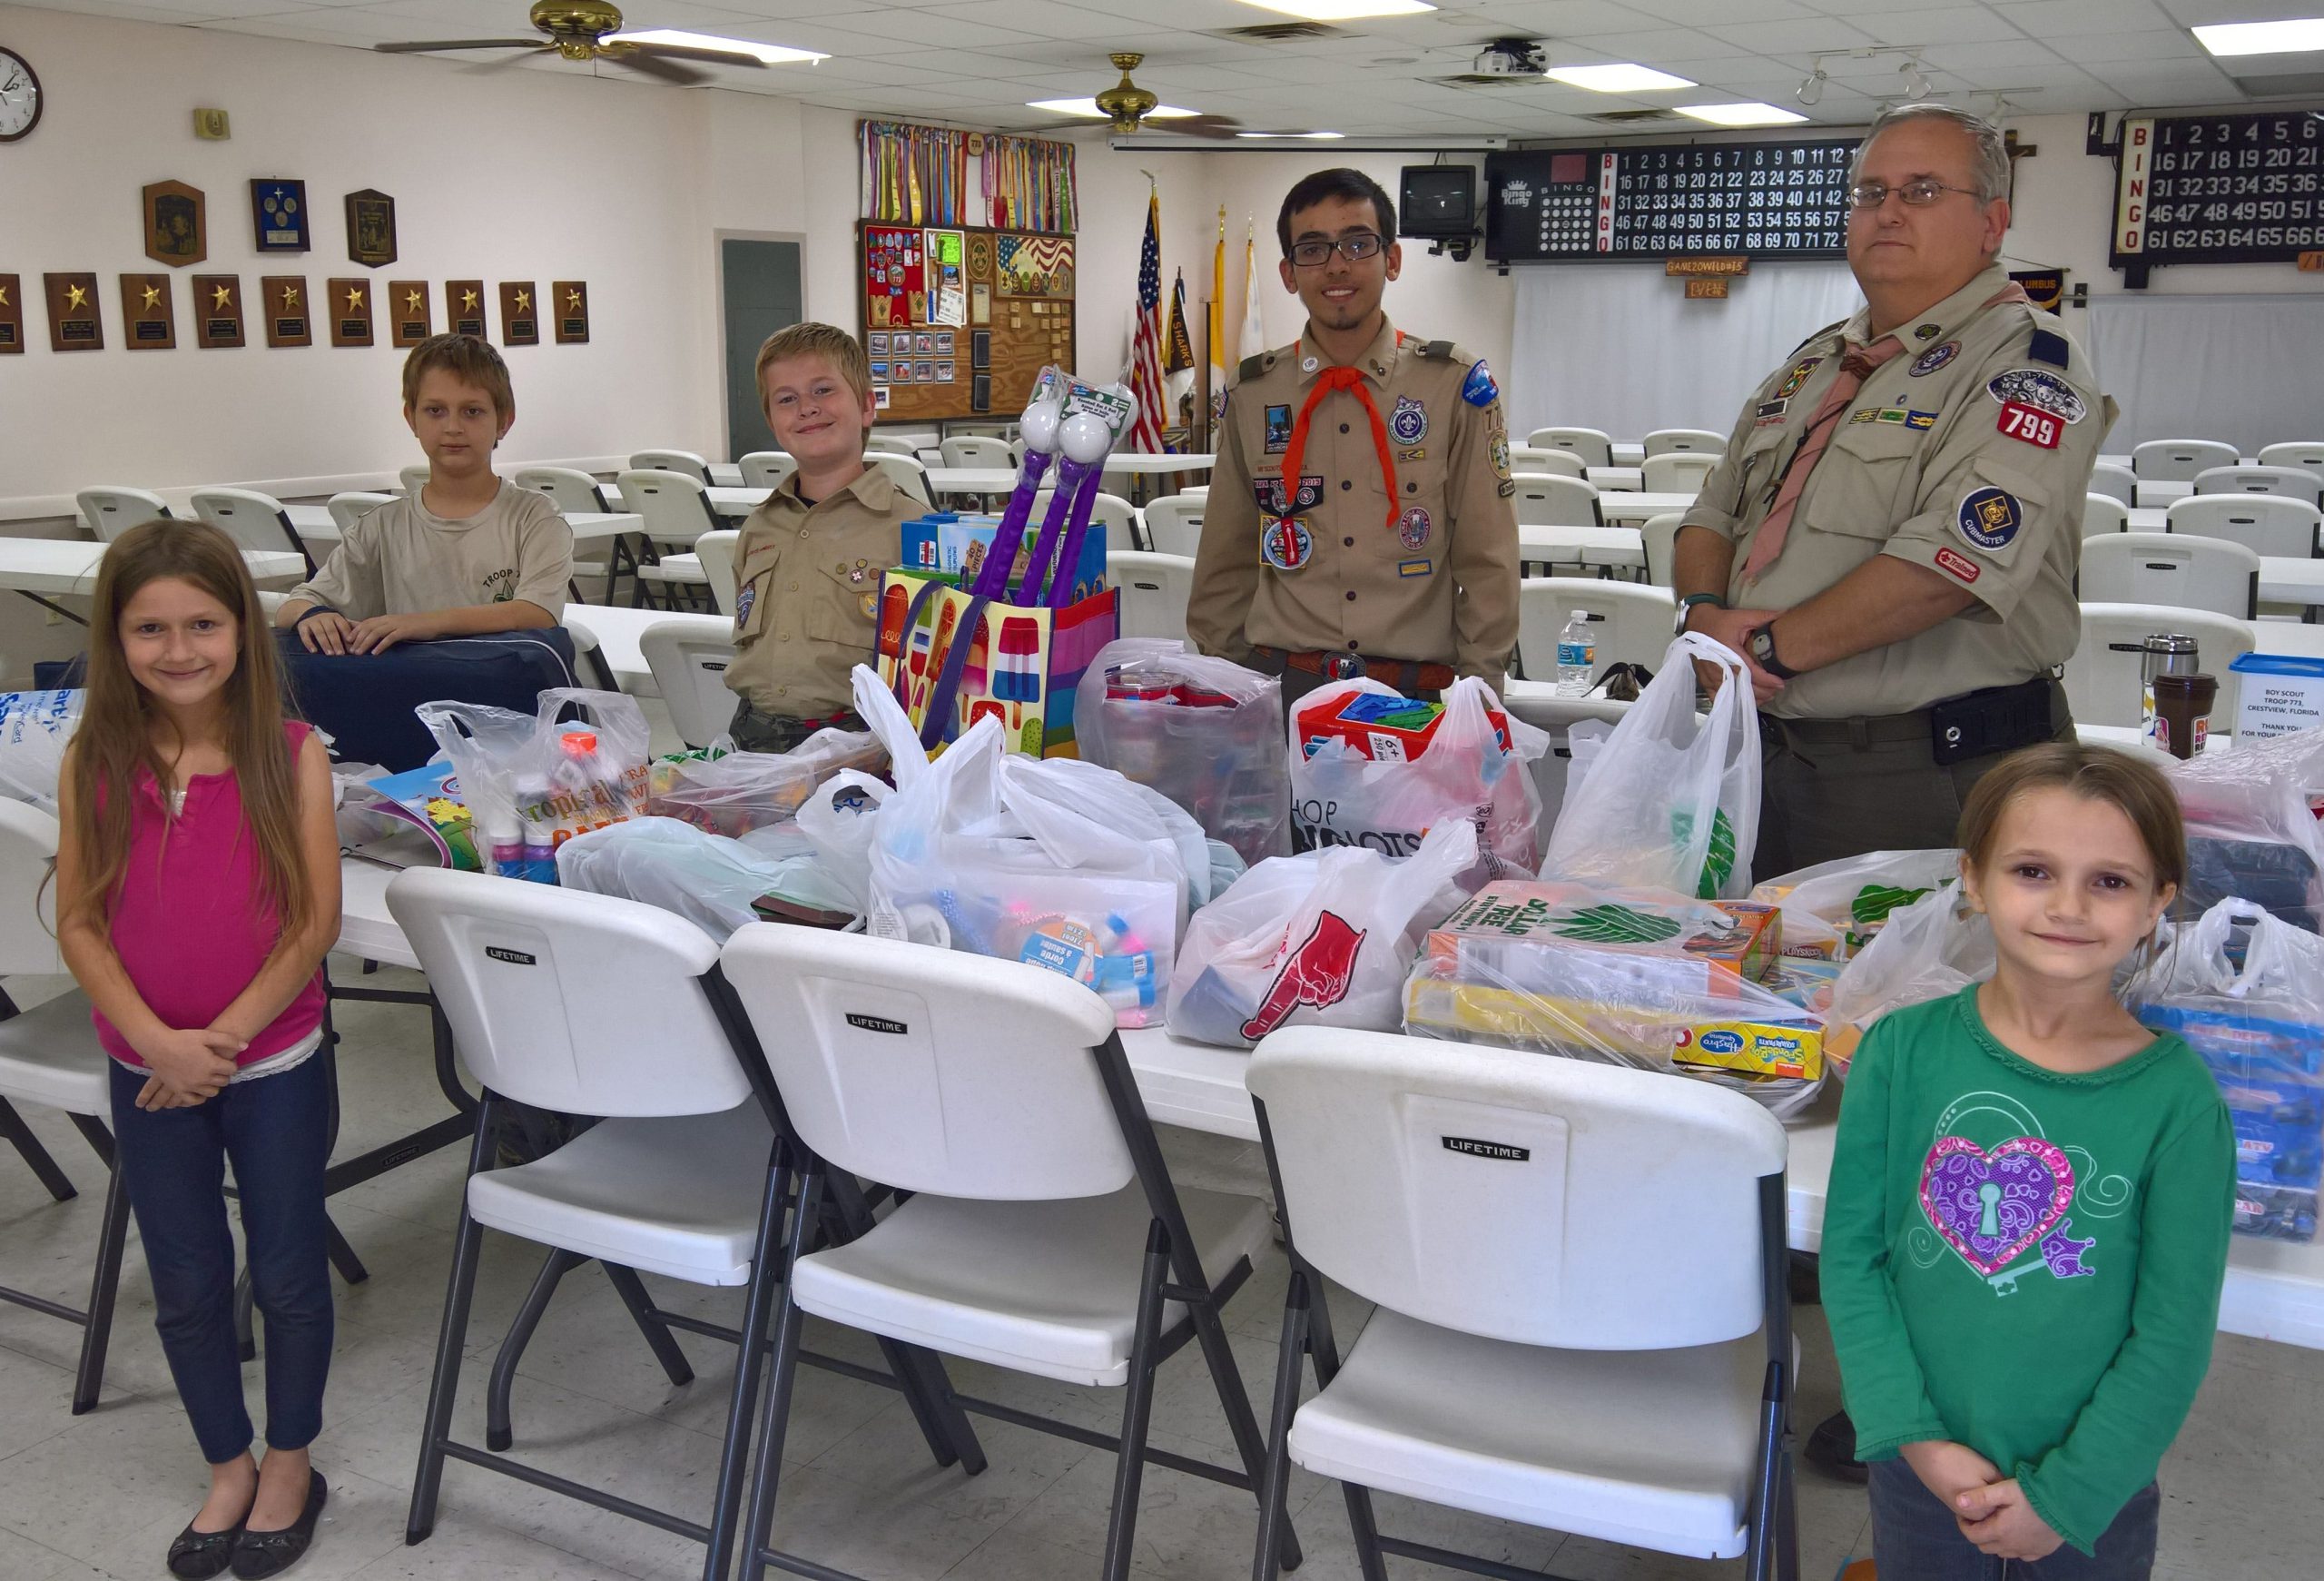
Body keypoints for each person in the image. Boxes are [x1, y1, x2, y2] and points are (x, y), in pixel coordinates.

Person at [1822, 745, 2232, 1579]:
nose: (2069, 906)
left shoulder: (2180, 1103)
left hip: (2094, 1492)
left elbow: (2174, 1333)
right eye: (2034, 870)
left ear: (2158, 902)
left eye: (2111, 881)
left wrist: (2069, 1495)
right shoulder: (1899, 1051)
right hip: (1922, 1470)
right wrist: (1915, 1436)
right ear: (1973, 879)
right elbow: (1854, 1259)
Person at [1675, 104, 2112, 877]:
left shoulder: (2031, 366)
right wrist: (1703, 619)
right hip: (1770, 762)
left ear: (1992, 222)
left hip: (1933, 774)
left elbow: (1946, 567)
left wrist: (1758, 652)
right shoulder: (1815, 365)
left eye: (1922, 190)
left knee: (1917, 997)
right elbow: (1710, 517)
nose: (1888, 212)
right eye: (1870, 192)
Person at [55, 519, 343, 1580]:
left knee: (285, 1268)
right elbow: (81, 919)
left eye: (203, 624)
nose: (179, 649)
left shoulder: (291, 754)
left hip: (270, 1064)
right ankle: (225, 1461)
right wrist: (153, 1044)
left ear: (242, 630)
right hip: (148, 1071)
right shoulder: (97, 756)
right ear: (116, 637)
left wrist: (213, 1045)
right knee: (183, 1276)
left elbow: (313, 922)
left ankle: (289, 1458)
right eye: (150, 628)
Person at [1189, 167, 1520, 705]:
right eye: (1313, 249)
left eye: (1357, 244)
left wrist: (1482, 693)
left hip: (1413, 693)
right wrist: (1222, 693)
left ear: (1391, 260)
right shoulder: (1253, 395)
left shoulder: (1452, 387)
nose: (1337, 265)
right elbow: (1224, 560)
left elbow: (1489, 560)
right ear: (1289, 272)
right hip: (1284, 688)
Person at [277, 333, 573, 655]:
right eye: (435, 411)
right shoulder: (380, 527)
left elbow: (537, 613)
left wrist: (423, 623)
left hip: (501, 694)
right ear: (411, 418)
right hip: (411, 692)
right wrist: (313, 614)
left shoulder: (536, 517)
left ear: (503, 421)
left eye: (472, 411)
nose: (453, 427)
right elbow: (294, 606)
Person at [724, 321, 920, 752]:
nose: (806, 408)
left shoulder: (911, 528)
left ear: (867, 407)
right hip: (753, 738)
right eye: (787, 399)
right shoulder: (760, 527)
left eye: (823, 390)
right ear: (773, 421)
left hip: (860, 744)